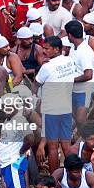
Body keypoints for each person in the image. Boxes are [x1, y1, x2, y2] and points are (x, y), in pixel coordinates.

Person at [33, 35, 76, 174]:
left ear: (56, 49)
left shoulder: (47, 67)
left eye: (47, 49)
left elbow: (36, 85)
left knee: (52, 147)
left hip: (52, 109)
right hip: (67, 106)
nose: (44, 51)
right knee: (66, 145)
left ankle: (53, 178)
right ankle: (71, 172)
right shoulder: (69, 60)